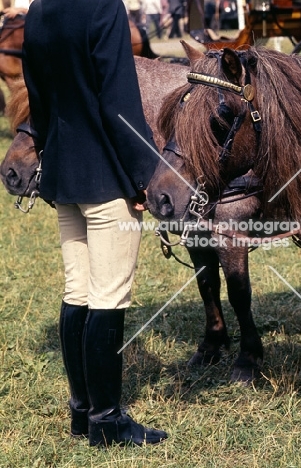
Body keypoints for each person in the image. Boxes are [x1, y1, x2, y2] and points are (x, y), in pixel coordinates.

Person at [22, 0, 167, 448]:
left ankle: (82, 413)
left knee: (77, 290)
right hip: (106, 177)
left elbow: (38, 97)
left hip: (65, 172)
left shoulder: (39, 10)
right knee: (108, 295)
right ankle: (107, 422)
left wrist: (49, 152)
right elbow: (118, 103)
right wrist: (145, 176)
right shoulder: (103, 7)